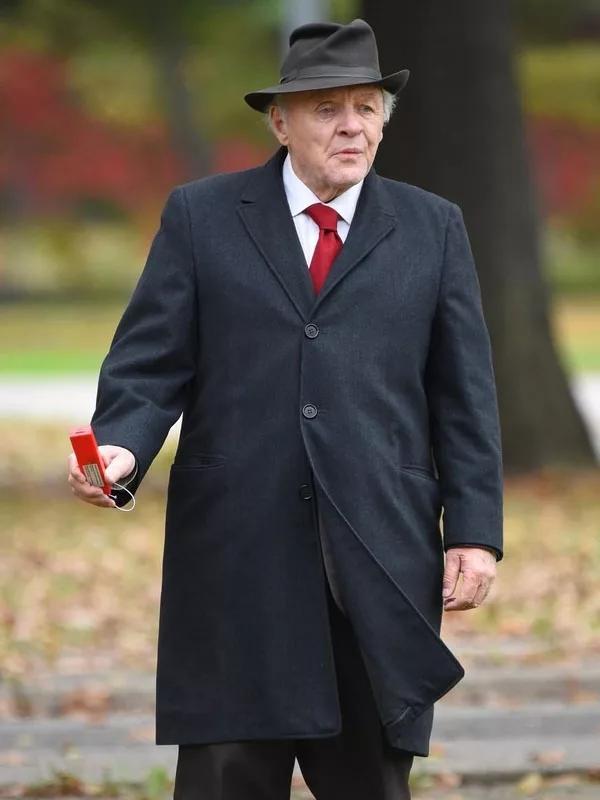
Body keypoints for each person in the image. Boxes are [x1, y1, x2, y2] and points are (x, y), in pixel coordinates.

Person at [68, 18, 503, 800]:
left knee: (369, 783)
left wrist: (474, 533)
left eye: (366, 108)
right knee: (225, 778)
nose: (352, 126)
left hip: (378, 557)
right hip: (236, 557)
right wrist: (121, 448)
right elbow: (150, 364)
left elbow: (463, 396)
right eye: (328, 108)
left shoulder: (434, 227)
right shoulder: (201, 216)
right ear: (280, 122)